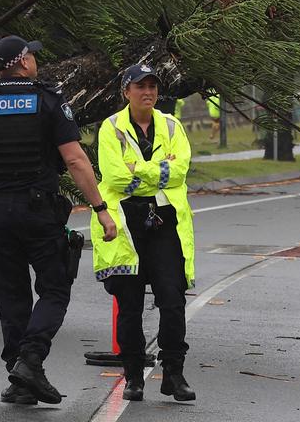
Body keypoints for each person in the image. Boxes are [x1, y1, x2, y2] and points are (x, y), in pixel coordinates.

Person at [0, 35, 118, 407]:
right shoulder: (48, 102)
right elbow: (76, 160)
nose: (35, 60)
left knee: (10, 294)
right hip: (38, 211)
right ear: (24, 62)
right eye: (31, 54)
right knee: (55, 288)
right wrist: (100, 209)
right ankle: (30, 361)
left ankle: (18, 381)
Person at [92, 63, 197, 402]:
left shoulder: (171, 124)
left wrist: (139, 172)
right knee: (130, 304)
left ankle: (173, 373)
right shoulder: (110, 129)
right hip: (125, 224)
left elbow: (179, 171)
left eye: (152, 86)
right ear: (126, 92)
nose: (148, 92)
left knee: (172, 299)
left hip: (165, 222)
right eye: (140, 86)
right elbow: (115, 177)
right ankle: (134, 376)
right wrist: (155, 172)